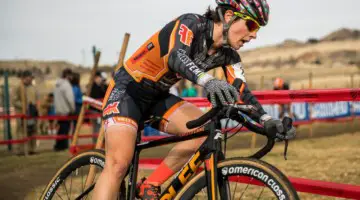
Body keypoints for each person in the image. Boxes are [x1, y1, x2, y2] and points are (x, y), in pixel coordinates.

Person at [93, 1, 295, 199]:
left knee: (201, 133)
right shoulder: (191, 24)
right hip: (128, 90)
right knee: (118, 165)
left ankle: (151, 185)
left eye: (258, 28)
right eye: (252, 25)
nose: (254, 34)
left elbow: (240, 91)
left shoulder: (229, 56)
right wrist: (208, 81)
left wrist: (268, 120)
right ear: (229, 16)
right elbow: (176, 57)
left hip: (158, 97)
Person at [12, 70, 39, 155]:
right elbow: (14, 100)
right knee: (21, 131)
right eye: (30, 77)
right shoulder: (18, 87)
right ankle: (20, 150)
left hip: (32, 112)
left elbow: (36, 99)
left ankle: (32, 149)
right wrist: (24, 106)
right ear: (25, 77)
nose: (31, 79)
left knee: (33, 130)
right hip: (21, 113)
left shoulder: (33, 87)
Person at [53, 68, 75, 151]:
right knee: (65, 129)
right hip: (66, 110)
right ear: (68, 75)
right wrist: (72, 109)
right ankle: (62, 146)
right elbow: (70, 99)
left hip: (58, 110)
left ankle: (58, 145)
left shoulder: (57, 85)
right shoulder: (66, 85)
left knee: (60, 129)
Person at [89, 71, 108, 143]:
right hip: (94, 110)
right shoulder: (92, 86)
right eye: (100, 77)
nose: (101, 79)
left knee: (100, 126)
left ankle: (101, 141)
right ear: (96, 77)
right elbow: (94, 98)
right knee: (96, 127)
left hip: (100, 109)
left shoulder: (100, 86)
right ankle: (96, 142)